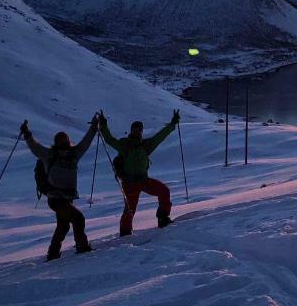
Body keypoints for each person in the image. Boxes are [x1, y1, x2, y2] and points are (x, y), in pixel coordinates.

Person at [21, 114, 99, 261]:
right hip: (56, 199)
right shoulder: (51, 155)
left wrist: (94, 127)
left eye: (65, 143)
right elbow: (35, 147)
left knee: (63, 226)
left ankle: (53, 253)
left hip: (66, 198)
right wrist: (27, 134)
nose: (63, 146)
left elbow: (86, 142)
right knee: (78, 218)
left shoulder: (71, 154)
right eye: (61, 143)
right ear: (57, 144)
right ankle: (82, 247)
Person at [99, 109, 179, 236]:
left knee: (164, 191)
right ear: (131, 130)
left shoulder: (145, 145)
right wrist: (103, 125)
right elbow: (109, 139)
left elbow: (160, 136)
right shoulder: (125, 145)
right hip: (130, 183)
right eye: (135, 129)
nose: (137, 131)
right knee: (130, 209)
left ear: (141, 131)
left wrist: (172, 125)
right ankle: (125, 233)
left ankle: (163, 218)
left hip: (143, 180)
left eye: (139, 129)